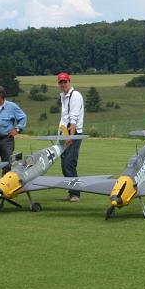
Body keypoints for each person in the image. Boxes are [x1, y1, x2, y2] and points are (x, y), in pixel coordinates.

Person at [58, 72, 84, 202]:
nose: (63, 84)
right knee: (64, 163)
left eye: (65, 82)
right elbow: (64, 118)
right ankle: (71, 191)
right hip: (64, 133)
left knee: (69, 162)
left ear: (69, 81)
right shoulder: (63, 96)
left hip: (73, 133)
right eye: (61, 82)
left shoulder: (75, 95)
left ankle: (75, 194)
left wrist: (71, 137)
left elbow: (73, 118)